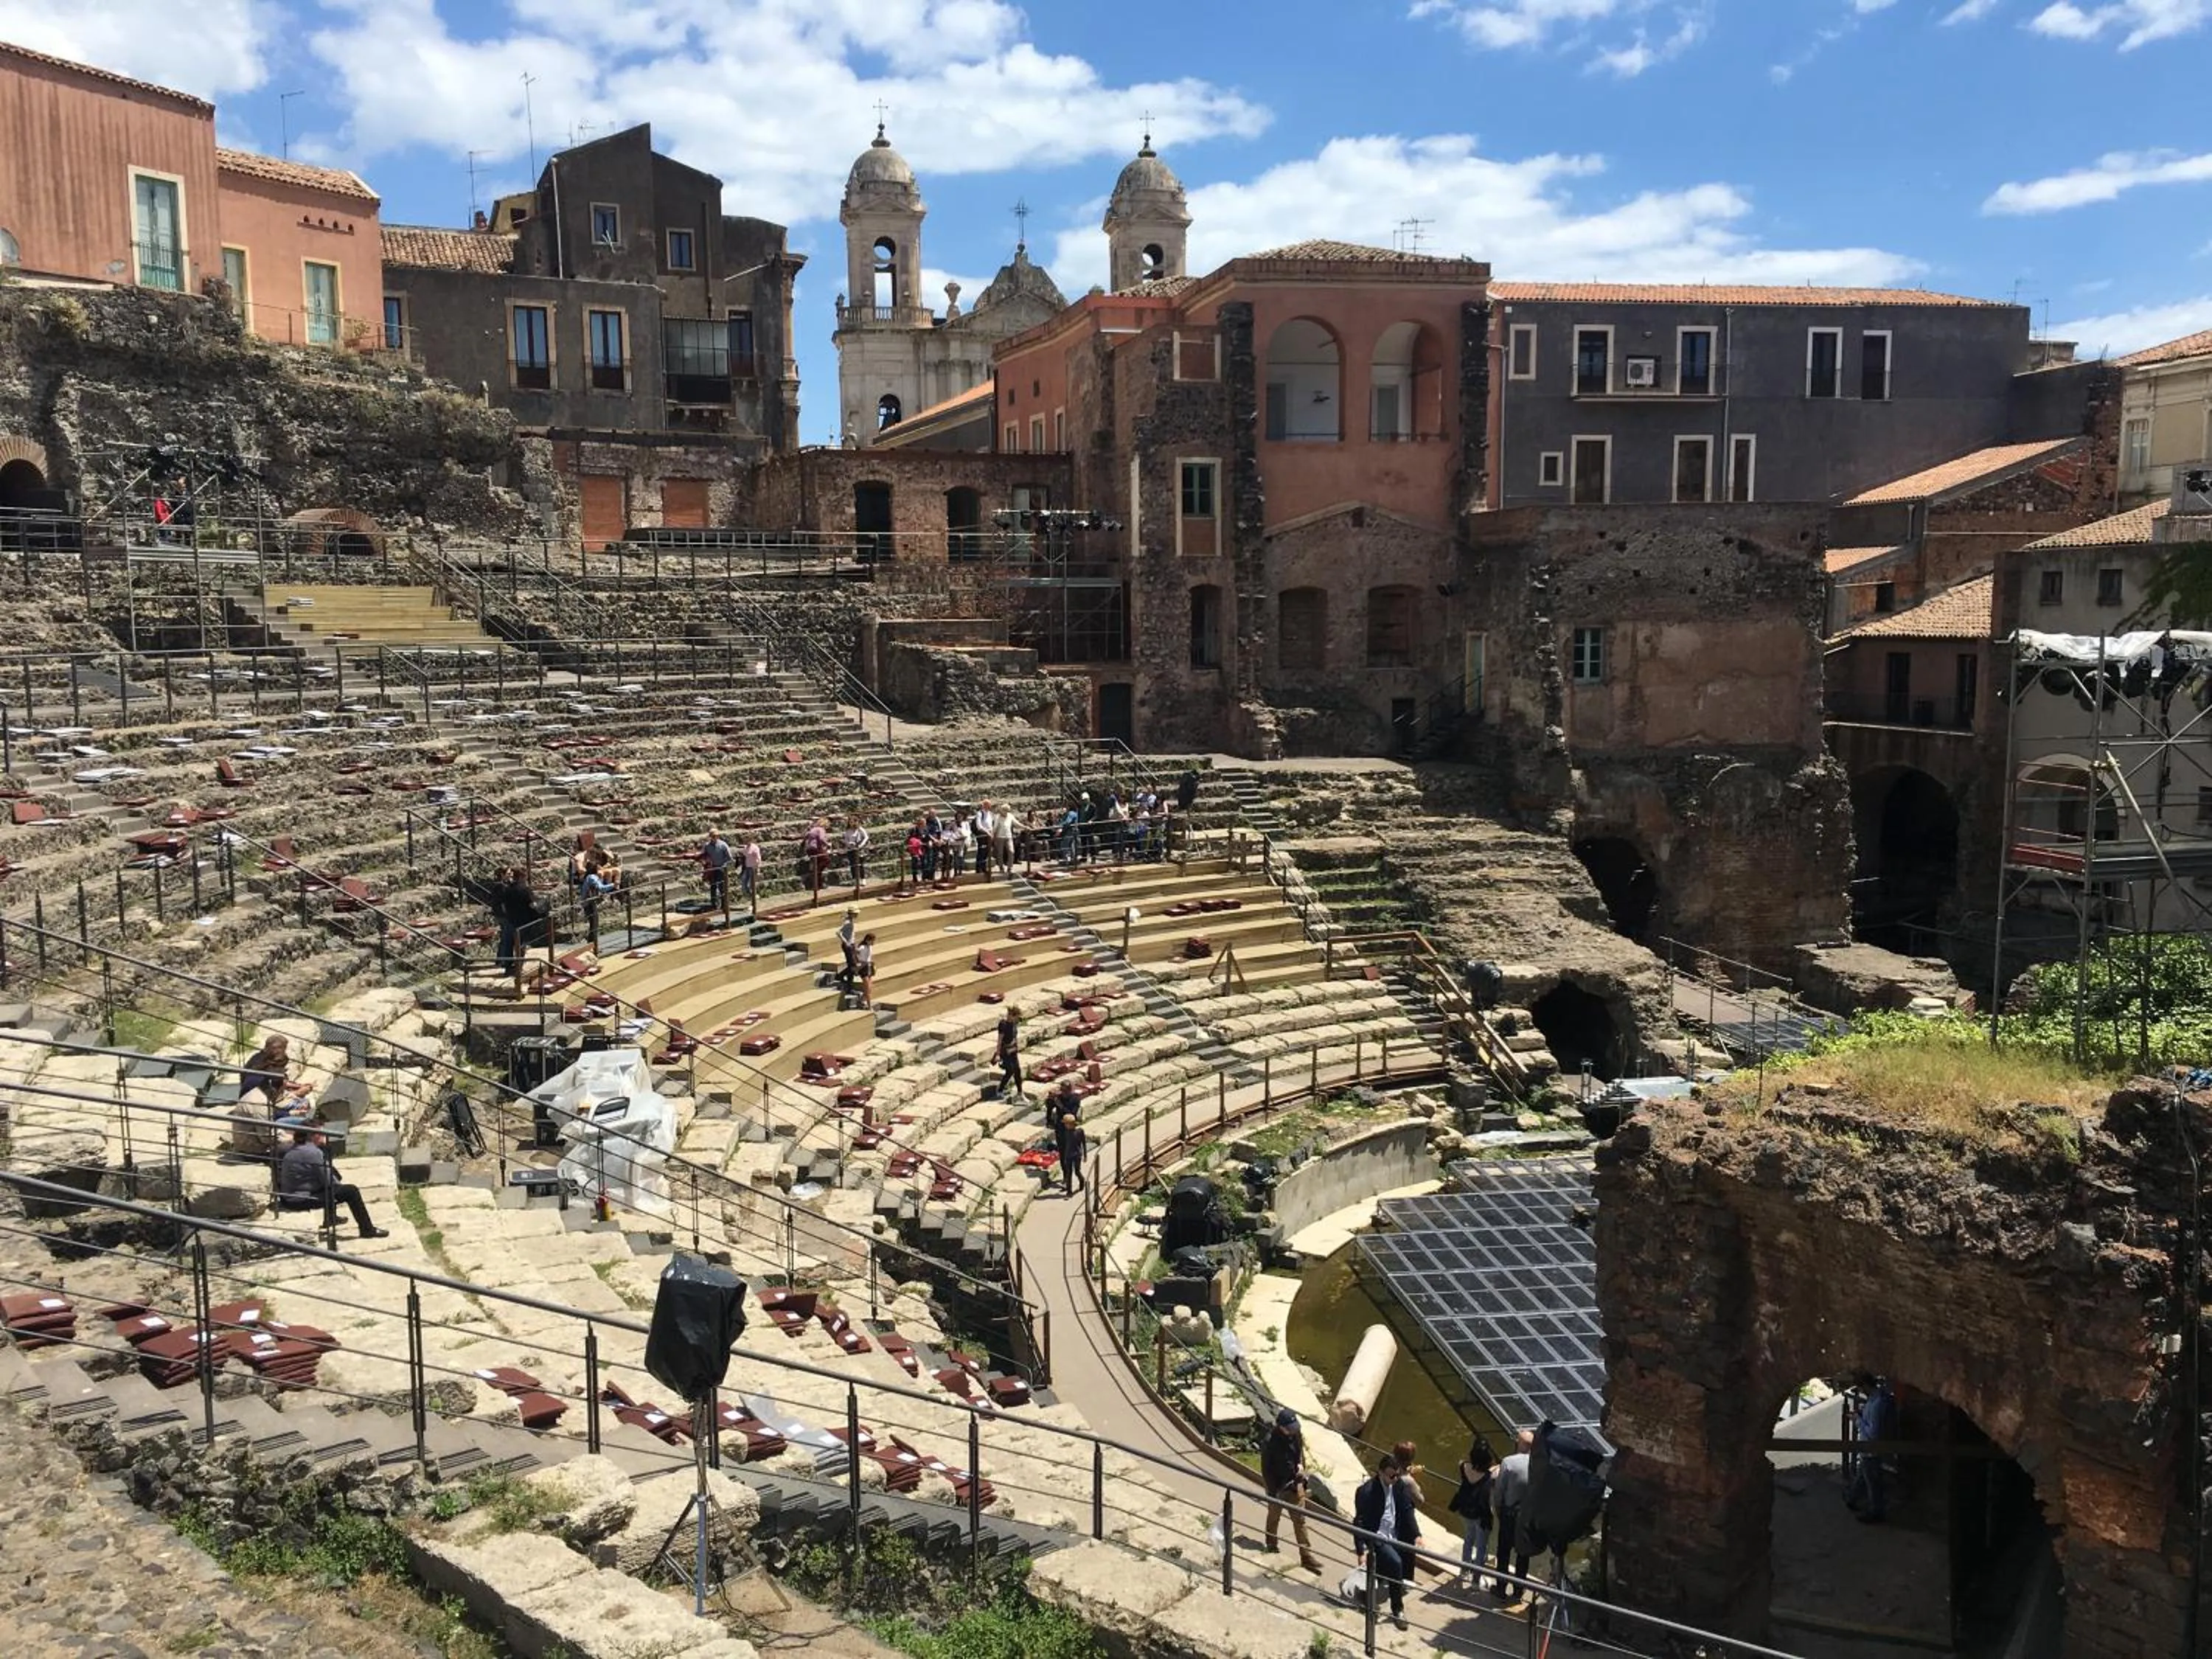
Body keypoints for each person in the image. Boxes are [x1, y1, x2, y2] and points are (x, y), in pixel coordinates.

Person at [275, 1127, 388, 1240]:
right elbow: (328, 1181)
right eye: (322, 1133)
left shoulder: (295, 1148)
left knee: (333, 1183)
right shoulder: (313, 1153)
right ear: (316, 1136)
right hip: (298, 1199)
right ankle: (367, 1230)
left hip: (290, 1195)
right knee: (351, 1191)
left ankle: (331, 1218)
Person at [1352, 1450, 1421, 1630]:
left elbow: (1407, 1509)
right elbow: (1359, 1522)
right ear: (1381, 1472)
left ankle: (1366, 1592)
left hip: (1394, 1532)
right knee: (1395, 1564)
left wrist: (1417, 1534)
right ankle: (1397, 1610)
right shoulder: (1367, 1492)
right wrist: (1361, 1551)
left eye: (1398, 1474)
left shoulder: (1398, 1485)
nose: (1395, 1478)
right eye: (1391, 1475)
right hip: (1378, 1536)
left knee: (1388, 1566)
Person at [1262, 1408, 1324, 1573]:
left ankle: (1306, 1556)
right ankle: (1271, 1544)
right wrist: (1273, 1491)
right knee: (1274, 1517)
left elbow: (1299, 1453)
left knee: (1300, 1520)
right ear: (1280, 1426)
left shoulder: (1296, 1434)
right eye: (1289, 1428)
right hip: (1277, 1486)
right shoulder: (1270, 1442)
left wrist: (1301, 1467)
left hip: (1295, 1484)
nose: (1293, 1431)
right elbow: (1266, 1470)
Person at [1492, 1428, 1535, 1601]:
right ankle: (1518, 1590)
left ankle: (1501, 1588)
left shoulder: (1508, 1462)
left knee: (1503, 1552)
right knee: (1523, 1554)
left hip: (1510, 1514)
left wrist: (1498, 1510)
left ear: (1518, 1443)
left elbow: (1499, 1491)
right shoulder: (1539, 1465)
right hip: (1527, 1516)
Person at [1846, 1376, 1897, 1523]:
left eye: (1861, 1389)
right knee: (1864, 1475)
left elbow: (1873, 1433)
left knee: (1873, 1483)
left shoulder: (1877, 1403)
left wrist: (1858, 1420)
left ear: (1865, 1386)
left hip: (1871, 1448)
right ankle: (1851, 1499)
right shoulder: (1878, 1398)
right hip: (1869, 1448)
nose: (1861, 1392)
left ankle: (1876, 1512)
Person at [1450, 1436, 1497, 1587]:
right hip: (1481, 1514)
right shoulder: (1491, 1474)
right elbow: (1498, 1469)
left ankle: (1464, 1571)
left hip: (1465, 1510)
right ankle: (1476, 1580)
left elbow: (1462, 1462)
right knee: (1481, 1546)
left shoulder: (1464, 1467)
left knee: (1468, 1539)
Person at [238, 1034, 297, 1113]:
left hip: (253, 1096)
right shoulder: (267, 1064)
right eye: (283, 1048)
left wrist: (296, 1086)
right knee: (301, 1103)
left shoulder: (258, 1057)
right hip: (257, 1102)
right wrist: (297, 1092)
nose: (283, 1051)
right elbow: (274, 1095)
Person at [578, 863, 614, 952]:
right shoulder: (592, 877)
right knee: (594, 925)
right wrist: (613, 885)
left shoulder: (594, 877)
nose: (602, 870)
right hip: (589, 904)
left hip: (591, 903)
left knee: (594, 925)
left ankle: (592, 946)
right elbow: (601, 888)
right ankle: (593, 947)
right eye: (600, 869)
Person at [700, 830, 732, 920]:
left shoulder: (723, 845)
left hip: (721, 868)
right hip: (712, 868)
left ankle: (724, 905)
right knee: (713, 887)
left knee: (722, 887)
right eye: (712, 836)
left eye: (716, 836)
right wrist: (705, 862)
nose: (714, 838)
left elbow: (729, 858)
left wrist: (723, 866)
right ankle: (714, 905)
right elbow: (703, 856)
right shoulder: (707, 846)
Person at [1055, 1109, 1087, 1195]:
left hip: (1077, 1155)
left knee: (1077, 1171)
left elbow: (1083, 1143)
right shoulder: (1065, 1132)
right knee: (1069, 1173)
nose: (1065, 1125)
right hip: (1068, 1155)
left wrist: (1085, 1155)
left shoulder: (1079, 1132)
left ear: (1071, 1124)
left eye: (1066, 1124)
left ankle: (1082, 1180)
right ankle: (1069, 1191)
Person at [802, 818, 831, 905]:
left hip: (810, 849)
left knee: (817, 864)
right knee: (826, 860)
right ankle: (817, 878)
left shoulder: (813, 829)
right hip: (817, 849)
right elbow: (822, 839)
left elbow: (806, 836)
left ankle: (818, 883)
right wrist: (827, 845)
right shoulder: (821, 830)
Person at [995, 1009, 1022, 1099]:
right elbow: (1000, 1041)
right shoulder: (1003, 1024)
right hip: (1005, 1051)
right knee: (1010, 1071)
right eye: (1015, 1016)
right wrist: (998, 1054)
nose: (1016, 1018)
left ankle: (1020, 1093)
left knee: (1018, 1070)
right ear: (1011, 1015)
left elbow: (1015, 1036)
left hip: (1013, 1050)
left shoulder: (1014, 1024)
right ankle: (1000, 1089)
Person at [837, 908, 860, 992]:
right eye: (856, 913)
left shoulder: (850, 921)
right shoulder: (848, 923)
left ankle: (841, 975)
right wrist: (846, 942)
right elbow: (838, 932)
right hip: (848, 946)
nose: (857, 915)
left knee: (853, 965)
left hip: (851, 945)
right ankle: (850, 987)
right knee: (852, 966)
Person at [740, 835, 762, 918]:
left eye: (747, 840)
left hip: (753, 868)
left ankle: (753, 902)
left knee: (750, 885)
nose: (746, 841)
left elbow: (758, 859)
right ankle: (753, 898)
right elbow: (744, 855)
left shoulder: (755, 848)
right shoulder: (746, 848)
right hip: (747, 868)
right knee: (744, 885)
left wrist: (758, 870)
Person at [843, 818, 869, 888]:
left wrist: (861, 845)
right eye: (850, 822)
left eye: (852, 822)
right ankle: (854, 879)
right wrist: (849, 844)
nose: (851, 824)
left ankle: (863, 879)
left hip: (860, 849)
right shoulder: (847, 831)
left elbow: (866, 837)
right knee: (852, 864)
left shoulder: (860, 829)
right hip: (851, 849)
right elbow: (845, 839)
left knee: (861, 864)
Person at [855, 931, 877, 1006]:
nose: (873, 942)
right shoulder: (863, 947)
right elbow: (857, 951)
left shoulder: (870, 947)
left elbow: (869, 957)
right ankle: (869, 1006)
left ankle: (861, 1000)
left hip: (869, 967)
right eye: (872, 940)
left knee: (870, 988)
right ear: (868, 940)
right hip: (863, 967)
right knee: (867, 988)